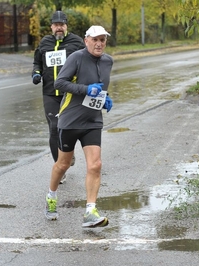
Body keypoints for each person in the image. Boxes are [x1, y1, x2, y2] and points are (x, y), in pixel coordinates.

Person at [45, 25, 114, 228]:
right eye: (95, 39)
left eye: (102, 40)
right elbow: (59, 83)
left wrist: (105, 98)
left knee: (95, 165)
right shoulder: (76, 57)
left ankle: (90, 211)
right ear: (86, 41)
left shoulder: (108, 61)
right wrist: (86, 90)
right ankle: (51, 196)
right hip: (70, 120)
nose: (99, 43)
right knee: (63, 165)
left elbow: (100, 87)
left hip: (93, 120)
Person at [32, 11, 85, 184]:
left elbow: (87, 61)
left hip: (70, 93)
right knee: (54, 128)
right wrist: (36, 73)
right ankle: (60, 168)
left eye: (62, 24)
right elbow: (37, 61)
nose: (59, 27)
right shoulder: (45, 42)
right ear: (51, 27)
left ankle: (69, 153)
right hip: (50, 93)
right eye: (56, 25)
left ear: (66, 26)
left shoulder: (76, 42)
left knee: (68, 129)